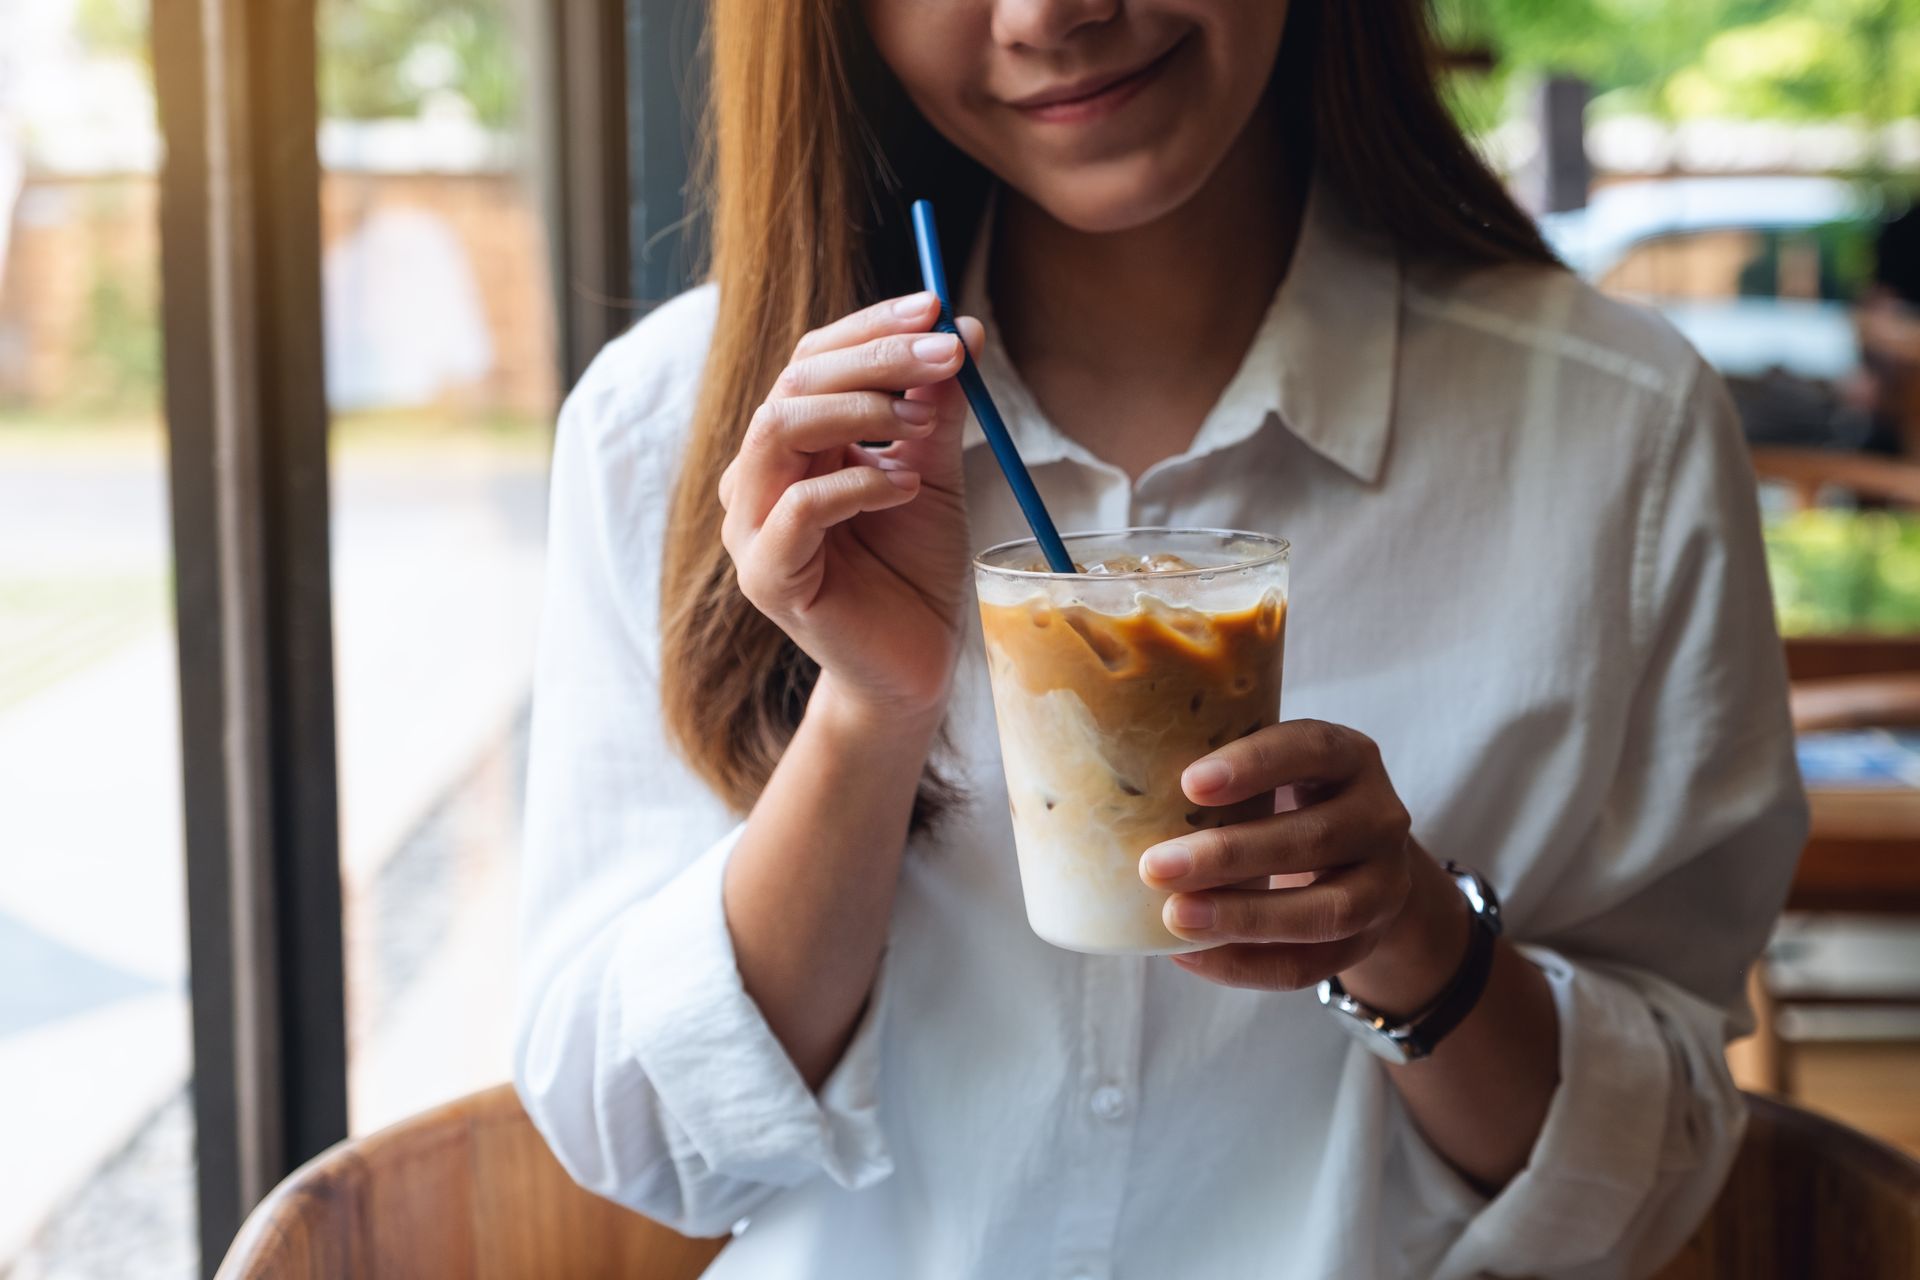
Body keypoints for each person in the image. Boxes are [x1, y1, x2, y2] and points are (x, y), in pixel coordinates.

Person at [513, 2, 1807, 1277]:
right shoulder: (669, 426)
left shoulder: (1619, 435)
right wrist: (870, 710)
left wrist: (1413, 933)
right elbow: (640, 1141)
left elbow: (1653, 1178)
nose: (1053, 14)